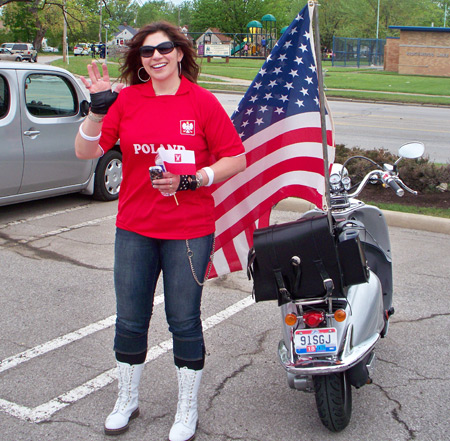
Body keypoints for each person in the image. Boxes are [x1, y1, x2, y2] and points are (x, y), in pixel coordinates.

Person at [75, 21, 246, 441]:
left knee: (183, 321)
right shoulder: (128, 100)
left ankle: (185, 408)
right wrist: (97, 113)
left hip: (188, 229)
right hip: (135, 228)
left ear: (181, 53)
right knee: (131, 319)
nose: (156, 57)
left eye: (164, 48)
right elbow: (85, 152)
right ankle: (127, 399)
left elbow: (235, 159)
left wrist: (195, 179)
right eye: (147, 52)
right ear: (140, 61)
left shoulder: (202, 102)